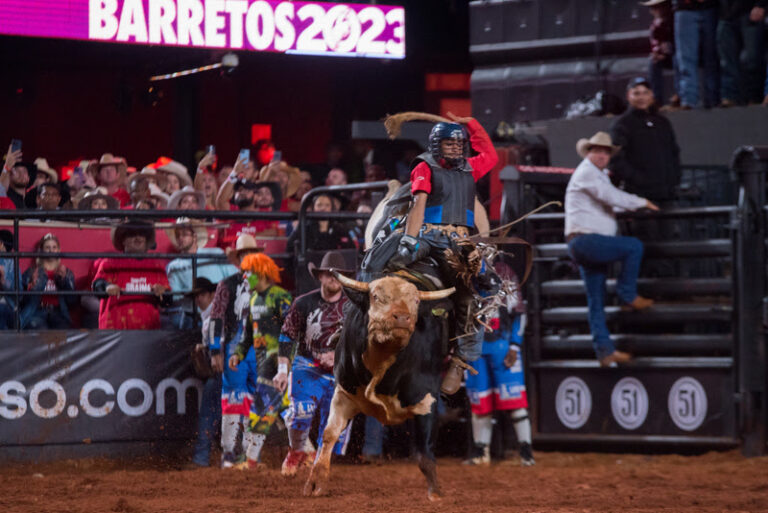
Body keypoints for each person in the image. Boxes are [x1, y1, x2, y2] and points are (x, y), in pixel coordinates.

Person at [386, 112, 499, 395]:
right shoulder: (424, 166)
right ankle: (364, 328)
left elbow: (491, 155)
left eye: (460, 144)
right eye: (450, 144)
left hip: (460, 242)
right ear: (438, 145)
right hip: (428, 234)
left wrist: (471, 123)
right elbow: (418, 204)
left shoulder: (470, 168)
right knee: (388, 263)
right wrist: (410, 240)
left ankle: (460, 362)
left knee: (479, 289)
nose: (457, 148)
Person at [564, 132, 659, 366]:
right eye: (597, 151)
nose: (602, 155)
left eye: (605, 152)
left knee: (595, 300)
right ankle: (628, 294)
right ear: (589, 153)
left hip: (584, 242)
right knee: (634, 246)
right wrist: (641, 202)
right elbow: (610, 196)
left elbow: (607, 197)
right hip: (588, 241)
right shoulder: (588, 173)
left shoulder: (595, 175)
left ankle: (605, 351)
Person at [276, 251, 352, 476]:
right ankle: (296, 450)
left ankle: (320, 465)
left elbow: (361, 341)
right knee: (301, 411)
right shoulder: (303, 303)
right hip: (307, 365)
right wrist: (282, 370)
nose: (334, 278)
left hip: (340, 371)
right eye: (329, 274)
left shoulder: (353, 306)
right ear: (320, 276)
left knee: (334, 425)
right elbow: (286, 336)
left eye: (338, 275)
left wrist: (338, 357)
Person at [464, 261, 534, 467]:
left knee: (515, 401)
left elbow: (519, 313)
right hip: (475, 347)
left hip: (501, 344)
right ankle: (480, 452)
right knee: (479, 403)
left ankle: (526, 452)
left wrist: (514, 345)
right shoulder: (463, 274)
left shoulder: (504, 272)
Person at [228, 253, 292, 468]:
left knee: (261, 408)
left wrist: (288, 361)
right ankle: (307, 454)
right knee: (287, 412)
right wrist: (238, 352)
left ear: (261, 273)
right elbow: (247, 335)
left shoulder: (280, 297)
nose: (245, 277)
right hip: (264, 362)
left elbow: (292, 331)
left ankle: (251, 460)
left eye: (249, 272)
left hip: (279, 362)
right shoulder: (253, 300)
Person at [207, 234, 264, 467]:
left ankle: (250, 454)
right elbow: (216, 318)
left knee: (257, 399)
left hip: (259, 349)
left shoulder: (266, 284)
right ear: (239, 258)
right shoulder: (228, 284)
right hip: (235, 346)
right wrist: (214, 350)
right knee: (234, 398)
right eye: (244, 255)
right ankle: (230, 452)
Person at [609, 77, 681, 203]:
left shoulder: (662, 122)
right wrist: (639, 180)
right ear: (628, 96)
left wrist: (674, 178)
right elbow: (615, 159)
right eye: (636, 93)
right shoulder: (622, 124)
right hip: (639, 196)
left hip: (667, 194)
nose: (641, 97)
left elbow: (674, 152)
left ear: (651, 95)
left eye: (645, 93)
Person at [92, 220, 171, 329]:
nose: (138, 238)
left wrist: (163, 293)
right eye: (132, 234)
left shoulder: (157, 265)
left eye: (142, 234)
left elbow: (168, 302)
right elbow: (97, 286)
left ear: (146, 239)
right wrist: (107, 287)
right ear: (123, 240)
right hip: (114, 332)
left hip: (149, 331)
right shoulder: (109, 262)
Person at [165, 217, 238, 329]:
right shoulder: (173, 266)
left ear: (195, 237)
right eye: (178, 235)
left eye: (184, 234)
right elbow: (176, 297)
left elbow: (235, 278)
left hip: (219, 313)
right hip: (193, 315)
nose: (180, 238)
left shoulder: (216, 253)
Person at [188, 277, 223, 467]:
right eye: (196, 296)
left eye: (201, 294)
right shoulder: (210, 317)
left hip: (222, 372)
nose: (198, 299)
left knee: (209, 414)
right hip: (232, 371)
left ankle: (201, 459)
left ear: (211, 295)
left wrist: (210, 351)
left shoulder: (213, 318)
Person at [20, 233, 76, 329]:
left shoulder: (65, 272)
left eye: (54, 247)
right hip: (36, 312)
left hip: (58, 312)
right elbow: (21, 300)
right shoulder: (32, 272)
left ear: (59, 250)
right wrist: (32, 287)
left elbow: (72, 302)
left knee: (62, 333)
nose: (51, 250)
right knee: (40, 331)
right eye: (47, 247)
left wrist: (65, 281)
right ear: (41, 250)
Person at [717, 0, 766, 106]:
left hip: (750, 11)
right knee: (726, 61)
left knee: (752, 58)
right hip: (725, 14)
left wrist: (761, 5)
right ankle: (730, 97)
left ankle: (753, 97)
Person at [673, 0, 720, 109]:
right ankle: (689, 100)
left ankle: (713, 99)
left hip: (711, 8)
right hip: (685, 8)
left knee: (712, 58)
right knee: (686, 59)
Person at [286, 193, 355, 254]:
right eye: (319, 205)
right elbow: (290, 247)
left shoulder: (339, 228)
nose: (323, 208)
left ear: (331, 208)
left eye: (327, 205)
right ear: (313, 208)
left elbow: (350, 250)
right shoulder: (304, 227)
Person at [642, 0, 677, 106]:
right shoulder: (655, 25)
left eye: (656, 7)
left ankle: (680, 94)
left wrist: (667, 53)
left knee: (679, 60)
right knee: (652, 62)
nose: (653, 11)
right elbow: (656, 43)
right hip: (665, 56)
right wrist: (658, 53)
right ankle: (656, 99)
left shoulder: (674, 21)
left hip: (677, 54)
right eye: (652, 8)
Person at [0, 230, 17, 329]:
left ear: (1, 244)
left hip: (7, 305)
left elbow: (18, 292)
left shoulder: (12, 263)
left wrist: (3, 280)